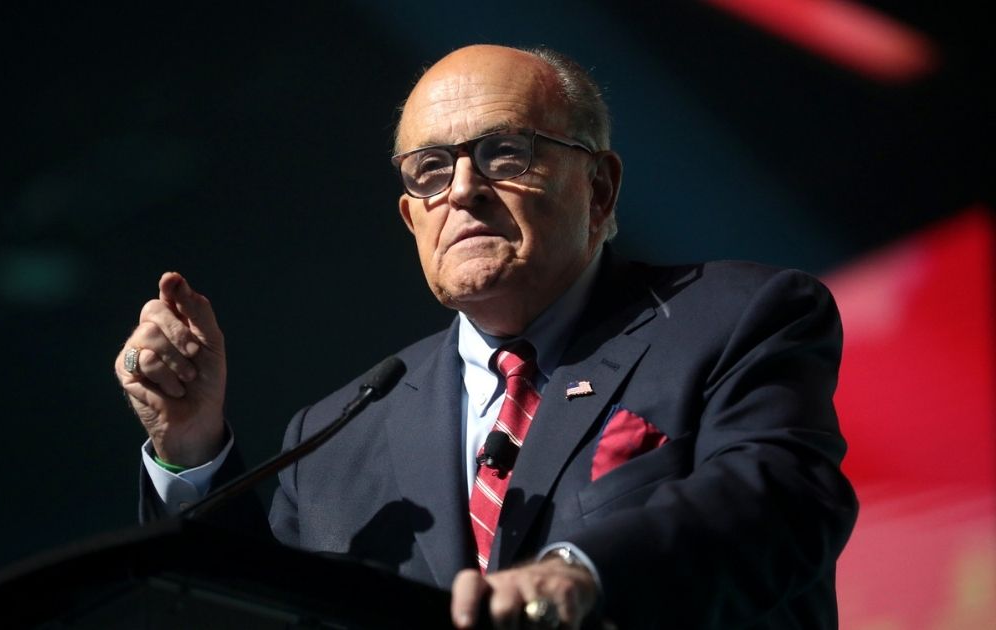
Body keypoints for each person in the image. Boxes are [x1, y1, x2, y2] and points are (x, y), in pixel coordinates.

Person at [115, 44, 858, 629]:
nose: (463, 190)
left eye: (505, 154)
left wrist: (580, 573)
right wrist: (194, 448)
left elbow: (780, 503)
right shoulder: (338, 439)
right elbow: (251, 609)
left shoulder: (732, 317)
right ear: (413, 220)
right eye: (430, 171)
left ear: (599, 190)